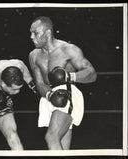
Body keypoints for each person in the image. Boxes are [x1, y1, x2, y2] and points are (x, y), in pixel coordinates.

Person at [29, 16, 97, 150]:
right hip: (49, 97)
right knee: (62, 147)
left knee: (51, 137)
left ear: (48, 33)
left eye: (35, 33)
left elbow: (92, 74)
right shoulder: (33, 55)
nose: (31, 36)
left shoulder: (68, 50)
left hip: (67, 92)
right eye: (30, 32)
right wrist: (49, 95)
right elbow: (39, 83)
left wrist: (68, 76)